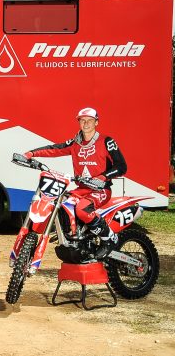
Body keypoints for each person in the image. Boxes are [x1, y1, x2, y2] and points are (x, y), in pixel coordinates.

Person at [24, 107, 127, 259]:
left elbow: (121, 166)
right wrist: (31, 153)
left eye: (90, 120)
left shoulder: (106, 141)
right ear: (79, 122)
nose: (86, 123)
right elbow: (55, 149)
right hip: (81, 189)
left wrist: (103, 177)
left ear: (96, 122)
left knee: (82, 209)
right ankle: (72, 234)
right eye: (82, 120)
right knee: (60, 203)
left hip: (101, 190)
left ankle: (109, 238)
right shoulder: (75, 142)